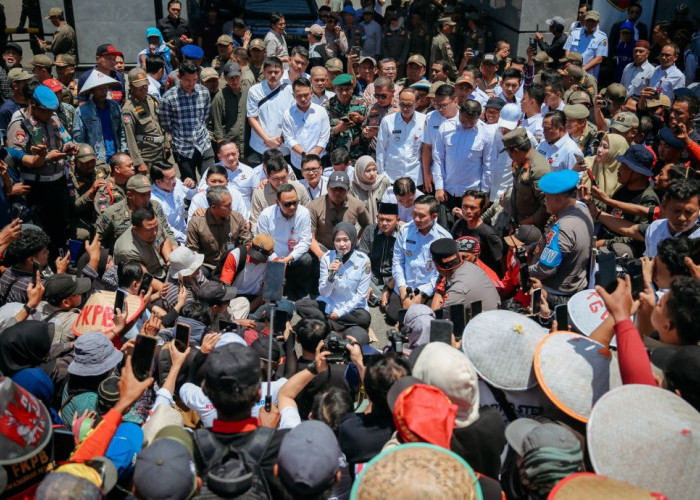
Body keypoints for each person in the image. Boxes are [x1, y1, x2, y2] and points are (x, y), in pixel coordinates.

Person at [7, 85, 77, 255]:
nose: (49, 114)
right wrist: (46, 158)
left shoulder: (53, 118)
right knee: (40, 230)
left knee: (61, 226)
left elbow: (65, 137)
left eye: (52, 111)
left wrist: (69, 146)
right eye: (46, 111)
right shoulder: (20, 124)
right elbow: (15, 158)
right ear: (33, 105)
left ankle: (60, 258)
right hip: (36, 186)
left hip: (58, 181)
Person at [529, 170, 594, 306]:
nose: (544, 201)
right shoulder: (582, 209)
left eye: (546, 197)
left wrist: (525, 271)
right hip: (576, 282)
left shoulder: (563, 229)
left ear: (558, 199)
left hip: (556, 293)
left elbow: (545, 269)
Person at [296, 221, 372, 334]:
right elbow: (324, 293)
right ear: (333, 242)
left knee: (364, 318)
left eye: (345, 240)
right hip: (330, 304)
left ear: (352, 240)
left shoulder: (363, 260)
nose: (341, 244)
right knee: (300, 305)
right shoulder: (326, 258)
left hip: (352, 308)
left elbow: (361, 295)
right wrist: (331, 276)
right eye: (338, 240)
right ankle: (334, 324)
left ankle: (324, 324)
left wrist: (339, 313)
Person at [389, 194, 451, 321]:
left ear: (434, 216)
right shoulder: (405, 230)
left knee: (424, 317)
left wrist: (423, 295)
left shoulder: (444, 238)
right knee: (393, 315)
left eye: (422, 216)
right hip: (406, 284)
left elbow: (441, 274)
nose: (416, 219)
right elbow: (397, 262)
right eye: (414, 214)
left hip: (428, 288)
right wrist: (402, 289)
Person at [432, 100, 493, 212]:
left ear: (479, 116)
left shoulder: (486, 133)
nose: (467, 124)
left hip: (472, 195)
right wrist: (439, 187)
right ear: (459, 112)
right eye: (464, 120)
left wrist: (484, 193)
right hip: (447, 191)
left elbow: (488, 165)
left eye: (472, 122)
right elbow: (438, 158)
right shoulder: (446, 127)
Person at [256, 183, 314, 300]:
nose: (292, 207)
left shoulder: (304, 213)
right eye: (287, 204)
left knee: (307, 259)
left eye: (295, 202)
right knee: (272, 299)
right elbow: (263, 242)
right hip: (272, 259)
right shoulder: (266, 215)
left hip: (293, 259)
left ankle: (299, 293)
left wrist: (288, 259)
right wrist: (276, 260)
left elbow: (305, 241)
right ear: (277, 202)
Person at [159, 61, 212, 181]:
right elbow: (166, 124)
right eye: (188, 80)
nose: (191, 83)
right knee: (189, 184)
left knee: (210, 179)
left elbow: (206, 116)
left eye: (195, 80)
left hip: (204, 144)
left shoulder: (204, 92)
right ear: (179, 77)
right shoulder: (168, 98)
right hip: (182, 148)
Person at [96, 173, 175, 253]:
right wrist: (106, 257)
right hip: (126, 257)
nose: (147, 199)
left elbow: (166, 231)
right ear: (130, 194)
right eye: (142, 195)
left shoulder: (155, 206)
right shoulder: (113, 213)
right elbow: (97, 239)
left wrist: (174, 247)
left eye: (148, 194)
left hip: (155, 254)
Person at [186, 185, 252, 274]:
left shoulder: (237, 218)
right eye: (227, 206)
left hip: (232, 264)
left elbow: (247, 243)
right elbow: (192, 251)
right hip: (208, 265)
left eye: (231, 203)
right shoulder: (197, 223)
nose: (231, 207)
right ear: (213, 207)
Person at [308, 171, 371, 260]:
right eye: (334, 188)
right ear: (327, 187)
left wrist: (358, 241)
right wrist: (321, 255)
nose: (337, 192)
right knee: (306, 259)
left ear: (348, 190)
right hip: (323, 249)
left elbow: (368, 227)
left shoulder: (357, 205)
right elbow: (310, 237)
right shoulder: (314, 206)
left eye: (341, 189)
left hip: (348, 249)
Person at [430, 237, 500, 312]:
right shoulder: (472, 267)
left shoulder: (457, 292)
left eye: (464, 257)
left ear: (437, 265)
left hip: (484, 317)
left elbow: (441, 318)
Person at [246, 56, 295, 164]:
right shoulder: (254, 90)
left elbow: (293, 118)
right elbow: (252, 118)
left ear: (282, 73)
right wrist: (267, 139)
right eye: (269, 72)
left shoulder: (290, 90)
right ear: (264, 72)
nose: (273, 75)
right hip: (259, 146)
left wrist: (281, 138)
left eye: (276, 72)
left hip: (283, 146)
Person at [376, 87, 426, 185]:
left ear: (417, 103)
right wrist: (381, 176)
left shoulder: (424, 120)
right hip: (391, 177)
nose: (405, 108)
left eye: (409, 105)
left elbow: (428, 150)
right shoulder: (388, 121)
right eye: (402, 104)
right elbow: (380, 150)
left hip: (415, 177)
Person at [122, 68, 169, 171]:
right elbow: (130, 137)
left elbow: (162, 123)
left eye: (145, 85)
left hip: (160, 152)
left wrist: (166, 143)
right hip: (146, 155)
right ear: (131, 87)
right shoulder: (128, 109)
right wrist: (138, 162)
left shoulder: (152, 100)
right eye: (139, 86)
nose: (144, 88)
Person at [282, 77, 330, 172]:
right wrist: (304, 154)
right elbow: (288, 139)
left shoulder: (321, 111)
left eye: (306, 95)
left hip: (319, 160)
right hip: (297, 163)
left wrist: (315, 155)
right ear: (293, 95)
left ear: (311, 93)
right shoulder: (288, 114)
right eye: (299, 96)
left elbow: (324, 137)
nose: (303, 99)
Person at [450, 190, 503, 275]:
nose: (468, 211)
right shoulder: (459, 224)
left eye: (472, 208)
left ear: (482, 209)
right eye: (465, 206)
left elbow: (498, 263)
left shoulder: (489, 234)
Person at [114, 205, 172, 280]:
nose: (155, 232)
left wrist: (169, 260)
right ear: (136, 229)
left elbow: (164, 239)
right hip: (144, 279)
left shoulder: (153, 224)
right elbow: (142, 277)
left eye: (156, 227)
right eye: (149, 230)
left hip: (162, 269)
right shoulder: (128, 250)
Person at [358, 201, 399, 307]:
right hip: (372, 277)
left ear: (397, 220)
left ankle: (377, 297)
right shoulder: (369, 231)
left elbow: (403, 267)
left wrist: (389, 286)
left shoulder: (402, 235)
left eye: (388, 220)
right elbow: (362, 259)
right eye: (381, 219)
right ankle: (378, 296)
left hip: (393, 279)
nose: (384, 223)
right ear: (377, 217)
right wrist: (365, 282)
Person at [421, 84, 459, 193]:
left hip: (457, 176)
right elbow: (427, 147)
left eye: (444, 105)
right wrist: (426, 175)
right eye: (437, 105)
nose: (440, 109)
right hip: (436, 175)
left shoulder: (464, 118)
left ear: (455, 101)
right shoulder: (431, 117)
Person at [149, 161, 194, 245]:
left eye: (175, 176)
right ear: (158, 182)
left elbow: (192, 196)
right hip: (172, 240)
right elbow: (167, 228)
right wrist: (187, 239)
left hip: (185, 232)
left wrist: (192, 186)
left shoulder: (175, 183)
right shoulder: (153, 200)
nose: (175, 181)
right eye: (170, 179)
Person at [211, 62, 245, 152]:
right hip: (230, 146)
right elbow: (217, 127)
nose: (234, 81)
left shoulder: (248, 92)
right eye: (231, 78)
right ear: (225, 78)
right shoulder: (219, 98)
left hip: (247, 145)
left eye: (237, 77)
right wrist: (222, 148)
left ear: (241, 76)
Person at [563, 10, 608, 79]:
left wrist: (582, 70)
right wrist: (570, 65)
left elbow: (599, 59)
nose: (590, 23)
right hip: (571, 70)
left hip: (588, 74)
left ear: (597, 22)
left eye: (593, 21)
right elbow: (567, 50)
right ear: (584, 21)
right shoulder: (574, 33)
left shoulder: (602, 37)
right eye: (588, 20)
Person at [349, 155, 392, 222]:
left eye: (374, 169)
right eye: (368, 171)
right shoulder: (352, 186)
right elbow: (352, 213)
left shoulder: (383, 182)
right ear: (359, 171)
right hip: (361, 225)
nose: (372, 173)